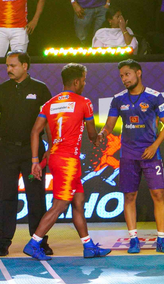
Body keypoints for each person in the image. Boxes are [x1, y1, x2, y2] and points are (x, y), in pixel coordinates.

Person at [23, 65, 112, 260]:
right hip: (68, 162)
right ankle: (34, 243)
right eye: (84, 80)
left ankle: (88, 246)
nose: (85, 84)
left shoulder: (50, 104)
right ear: (77, 82)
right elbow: (91, 134)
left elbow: (35, 131)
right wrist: (98, 137)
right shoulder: (84, 102)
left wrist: (35, 160)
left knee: (78, 202)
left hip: (56, 158)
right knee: (60, 205)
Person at [0, 52, 53, 257]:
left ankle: (39, 241)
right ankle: (2, 242)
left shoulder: (40, 89)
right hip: (7, 150)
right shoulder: (1, 89)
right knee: (5, 195)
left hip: (32, 151)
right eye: (7, 66)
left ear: (25, 66)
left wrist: (51, 146)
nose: (8, 69)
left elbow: (49, 120)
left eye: (13, 66)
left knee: (36, 196)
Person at [103, 60, 164, 254]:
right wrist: (101, 134)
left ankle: (161, 240)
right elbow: (109, 126)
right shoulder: (118, 99)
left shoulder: (155, 97)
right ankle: (134, 239)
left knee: (158, 194)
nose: (124, 79)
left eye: (127, 74)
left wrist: (154, 146)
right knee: (129, 196)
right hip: (128, 155)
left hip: (151, 153)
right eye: (121, 76)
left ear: (138, 73)